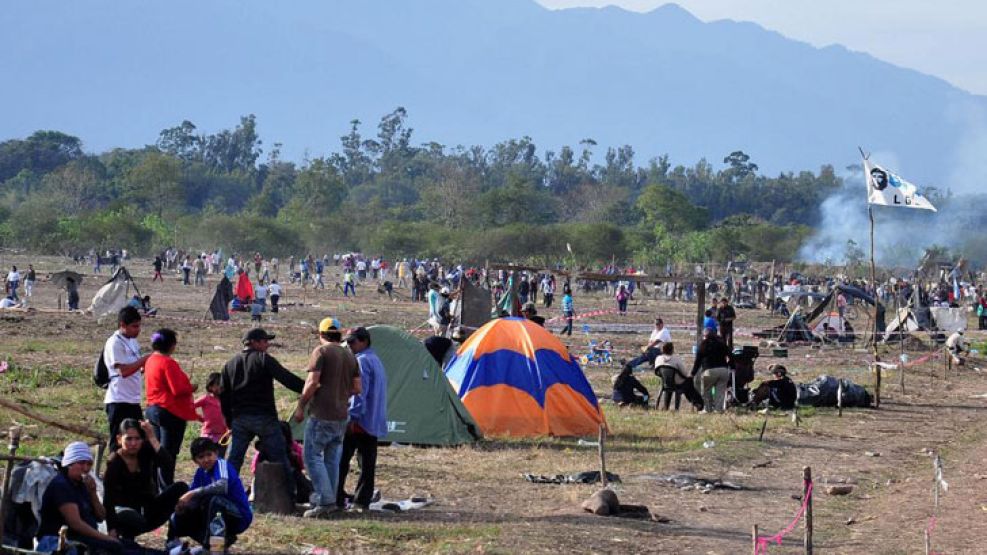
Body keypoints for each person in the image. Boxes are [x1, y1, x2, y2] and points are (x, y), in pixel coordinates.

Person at [220, 328, 305, 499]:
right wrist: (308, 388)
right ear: (254, 342)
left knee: (234, 460)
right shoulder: (263, 359)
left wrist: (229, 421)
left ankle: (223, 494)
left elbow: (223, 396)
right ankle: (289, 496)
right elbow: (286, 378)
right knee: (280, 457)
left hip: (240, 419)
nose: (267, 344)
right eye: (265, 341)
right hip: (264, 418)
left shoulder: (229, 364)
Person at [293, 318, 360, 518]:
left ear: (320, 334)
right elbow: (357, 388)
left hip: (322, 414)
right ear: (339, 334)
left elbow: (312, 382)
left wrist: (301, 406)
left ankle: (325, 501)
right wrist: (341, 396)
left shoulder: (320, 352)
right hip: (342, 416)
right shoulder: (349, 355)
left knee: (312, 456)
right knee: (332, 459)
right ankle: (331, 499)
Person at [103, 419, 188, 541]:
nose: (133, 443)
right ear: (119, 439)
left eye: (137, 439)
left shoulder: (144, 451)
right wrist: (111, 530)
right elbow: (108, 499)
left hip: (148, 511)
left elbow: (167, 463)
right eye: (129, 439)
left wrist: (152, 437)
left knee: (181, 488)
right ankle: (127, 540)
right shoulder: (114, 463)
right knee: (126, 514)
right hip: (126, 517)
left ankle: (173, 538)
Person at [36, 442, 129, 553]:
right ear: (69, 464)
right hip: (66, 539)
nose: (86, 468)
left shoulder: (81, 484)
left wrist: (93, 493)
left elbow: (101, 516)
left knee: (131, 546)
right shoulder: (62, 485)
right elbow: (76, 523)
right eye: (81, 463)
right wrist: (108, 539)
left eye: (89, 464)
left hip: (85, 537)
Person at [337, 327, 388, 512]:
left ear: (364, 341)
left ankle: (337, 496)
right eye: (348, 342)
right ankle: (362, 500)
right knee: (367, 463)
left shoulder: (362, 361)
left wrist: (353, 416)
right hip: (373, 420)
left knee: (342, 459)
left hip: (360, 421)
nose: (349, 346)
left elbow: (360, 392)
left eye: (352, 342)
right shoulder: (375, 359)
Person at [170, 438, 252, 551]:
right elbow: (193, 500)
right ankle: (174, 544)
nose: (206, 459)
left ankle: (215, 549)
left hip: (237, 515)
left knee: (216, 501)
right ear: (195, 461)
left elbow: (222, 486)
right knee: (179, 514)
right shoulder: (200, 473)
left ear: (216, 453)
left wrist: (193, 492)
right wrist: (181, 507)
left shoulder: (221, 465)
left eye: (209, 454)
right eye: (201, 457)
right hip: (216, 516)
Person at [144, 328, 197, 482]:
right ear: (171, 345)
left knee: (156, 449)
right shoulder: (168, 363)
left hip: (152, 408)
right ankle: (166, 487)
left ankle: (155, 485)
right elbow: (178, 390)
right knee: (168, 453)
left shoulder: (151, 360)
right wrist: (191, 387)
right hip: (169, 411)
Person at [104, 306, 150, 451]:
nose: (138, 330)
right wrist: (144, 360)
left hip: (133, 399)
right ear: (123, 325)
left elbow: (136, 368)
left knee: (138, 440)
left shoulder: (132, 341)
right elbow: (124, 371)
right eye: (134, 326)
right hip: (118, 400)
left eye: (139, 326)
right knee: (118, 443)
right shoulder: (114, 343)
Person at [691, 328, 732, 413]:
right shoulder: (721, 343)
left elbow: (697, 361)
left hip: (709, 371)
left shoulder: (703, 345)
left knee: (706, 391)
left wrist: (693, 373)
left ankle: (708, 409)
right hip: (723, 370)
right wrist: (731, 366)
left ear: (705, 336)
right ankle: (718, 410)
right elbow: (731, 355)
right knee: (720, 392)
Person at [654, 342, 702, 411]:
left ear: (662, 350)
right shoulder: (676, 359)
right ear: (672, 350)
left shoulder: (658, 358)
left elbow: (656, 371)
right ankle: (696, 403)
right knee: (689, 383)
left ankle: (666, 406)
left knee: (670, 387)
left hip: (664, 382)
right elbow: (685, 373)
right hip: (677, 384)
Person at [195, 372, 229, 458]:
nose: (220, 387)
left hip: (222, 436)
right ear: (210, 387)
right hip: (208, 435)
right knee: (207, 459)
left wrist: (229, 430)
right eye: (217, 384)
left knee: (219, 459)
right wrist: (198, 417)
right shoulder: (206, 399)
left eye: (221, 384)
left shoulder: (226, 399)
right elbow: (190, 406)